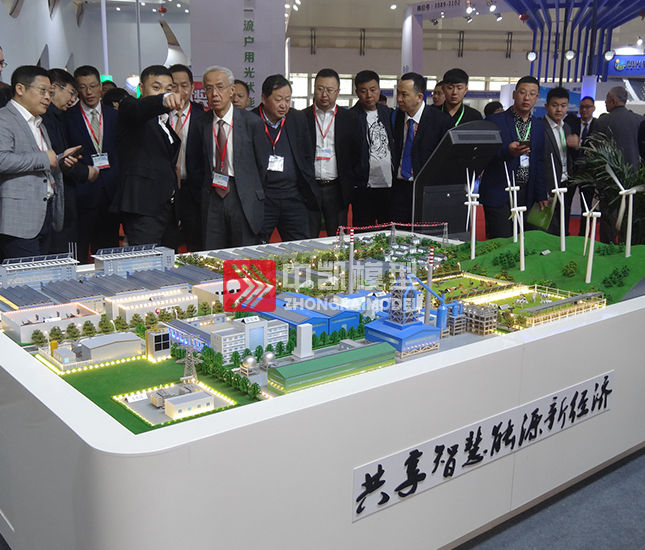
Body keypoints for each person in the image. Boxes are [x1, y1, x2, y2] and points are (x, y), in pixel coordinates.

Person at [0, 65, 80, 260]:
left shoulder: (39, 123)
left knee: (41, 272)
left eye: (50, 93)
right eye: (42, 91)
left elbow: (43, 161)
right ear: (20, 89)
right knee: (27, 275)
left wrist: (60, 161)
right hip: (19, 219)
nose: (47, 97)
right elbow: (2, 159)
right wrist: (45, 158)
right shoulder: (4, 119)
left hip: (45, 212)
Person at [188, 66, 268, 249]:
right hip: (212, 194)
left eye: (220, 87)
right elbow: (195, 163)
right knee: (212, 249)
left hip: (243, 195)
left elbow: (262, 165)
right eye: (209, 88)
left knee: (242, 251)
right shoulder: (200, 123)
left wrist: (251, 191)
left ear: (231, 90)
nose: (214, 94)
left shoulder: (251, 122)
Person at [111, 65, 184, 247]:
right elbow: (138, 109)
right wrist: (163, 99)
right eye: (156, 87)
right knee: (146, 260)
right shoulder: (130, 107)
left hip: (167, 207)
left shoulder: (163, 121)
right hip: (142, 207)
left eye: (168, 89)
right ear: (141, 88)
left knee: (169, 260)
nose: (163, 92)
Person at [252, 74, 319, 242]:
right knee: (257, 245)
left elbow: (307, 154)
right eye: (278, 100)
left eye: (288, 100)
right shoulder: (251, 121)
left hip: (293, 196)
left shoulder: (297, 118)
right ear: (264, 98)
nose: (284, 105)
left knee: (300, 244)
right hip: (263, 198)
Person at [479, 76, 547, 239]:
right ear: (514, 94)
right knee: (503, 242)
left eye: (532, 94)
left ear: (537, 98)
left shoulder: (538, 126)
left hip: (526, 193)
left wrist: (541, 194)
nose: (527, 98)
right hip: (500, 192)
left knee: (525, 242)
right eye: (522, 93)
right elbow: (484, 154)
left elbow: (538, 161)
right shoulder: (494, 121)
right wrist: (507, 151)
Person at [66, 65, 121, 263]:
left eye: (93, 86)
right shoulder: (68, 117)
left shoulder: (115, 115)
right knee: (80, 249)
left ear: (100, 87)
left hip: (111, 191)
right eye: (83, 87)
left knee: (109, 249)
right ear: (76, 89)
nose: (88, 92)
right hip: (83, 191)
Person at [42, 68, 94, 255]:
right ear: (55, 88)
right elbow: (56, 157)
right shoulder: (46, 118)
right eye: (72, 93)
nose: (73, 99)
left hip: (67, 194)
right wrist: (85, 172)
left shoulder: (60, 116)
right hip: (55, 194)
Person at [304, 68, 358, 237]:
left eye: (329, 90)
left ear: (338, 92)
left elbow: (356, 153)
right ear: (314, 89)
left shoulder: (350, 118)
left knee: (337, 238)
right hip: (309, 187)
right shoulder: (302, 117)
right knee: (307, 236)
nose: (324, 94)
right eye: (320, 89)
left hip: (336, 188)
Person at [391, 72, 452, 223]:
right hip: (400, 187)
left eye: (404, 95)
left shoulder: (440, 121)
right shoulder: (398, 116)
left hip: (426, 189)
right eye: (398, 93)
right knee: (399, 231)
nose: (399, 99)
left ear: (419, 97)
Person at [167, 63, 206, 252]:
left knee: (196, 240)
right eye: (174, 86)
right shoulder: (160, 116)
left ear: (192, 88)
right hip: (166, 189)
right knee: (168, 241)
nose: (179, 91)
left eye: (184, 86)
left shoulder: (203, 117)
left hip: (193, 188)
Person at [350, 70, 395, 228]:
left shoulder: (389, 114)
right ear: (357, 92)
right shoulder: (350, 117)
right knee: (363, 230)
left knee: (388, 229)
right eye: (363, 91)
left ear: (379, 90)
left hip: (388, 184)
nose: (369, 95)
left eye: (373, 89)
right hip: (363, 186)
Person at [542, 86, 579, 236]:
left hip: (565, 183)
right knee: (544, 227)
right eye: (555, 105)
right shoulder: (540, 127)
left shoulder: (567, 128)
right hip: (547, 185)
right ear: (546, 106)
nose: (559, 109)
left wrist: (577, 146)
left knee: (563, 226)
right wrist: (540, 189)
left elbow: (568, 156)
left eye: (563, 105)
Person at [567, 95, 597, 236]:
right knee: (567, 202)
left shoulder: (598, 124)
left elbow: (597, 144)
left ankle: (584, 234)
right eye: (582, 107)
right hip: (571, 170)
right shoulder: (571, 123)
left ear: (593, 108)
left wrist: (580, 143)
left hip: (588, 171)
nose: (584, 110)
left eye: (588, 107)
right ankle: (564, 232)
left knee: (586, 204)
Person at [594, 87, 644, 169]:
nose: (605, 102)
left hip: (609, 172)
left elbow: (596, 149)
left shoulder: (602, 121)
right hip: (636, 172)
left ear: (613, 101)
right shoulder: (640, 120)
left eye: (607, 99)